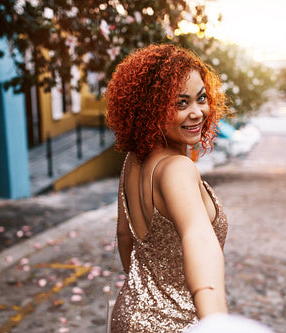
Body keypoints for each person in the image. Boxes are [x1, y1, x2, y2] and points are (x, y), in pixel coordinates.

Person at [105, 44, 229, 332]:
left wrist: (147, 293)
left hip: (129, 314)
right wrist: (217, 324)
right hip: (174, 325)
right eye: (181, 103)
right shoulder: (177, 169)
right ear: (151, 108)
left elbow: (125, 235)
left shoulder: (134, 159)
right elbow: (199, 239)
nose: (198, 113)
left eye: (201, 99)